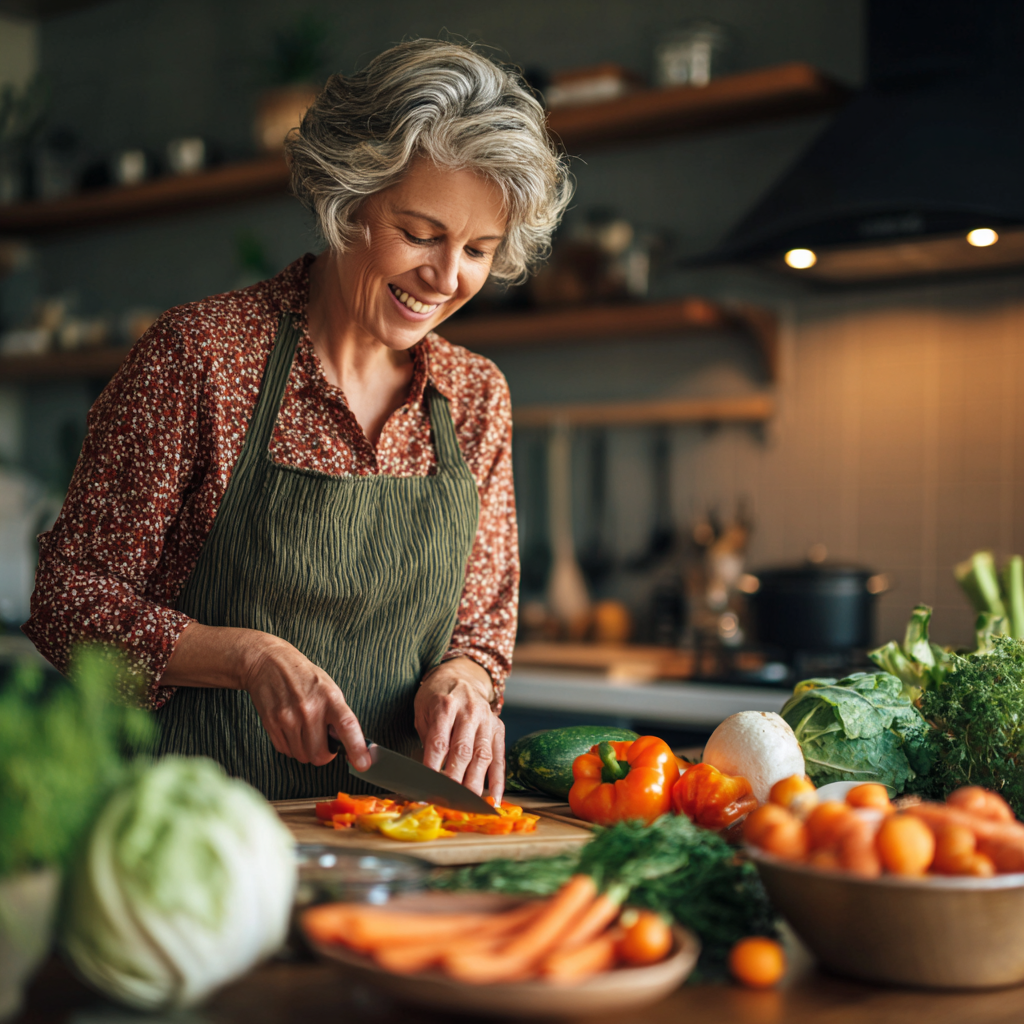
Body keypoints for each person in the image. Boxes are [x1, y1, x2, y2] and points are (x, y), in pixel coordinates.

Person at [24, 39, 572, 802]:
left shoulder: (475, 396)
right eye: (420, 234)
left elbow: (480, 632)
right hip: (197, 828)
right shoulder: (203, 357)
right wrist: (244, 656)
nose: (446, 279)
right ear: (348, 200)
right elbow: (67, 602)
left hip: (394, 831)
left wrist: (463, 684)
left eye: (478, 250)